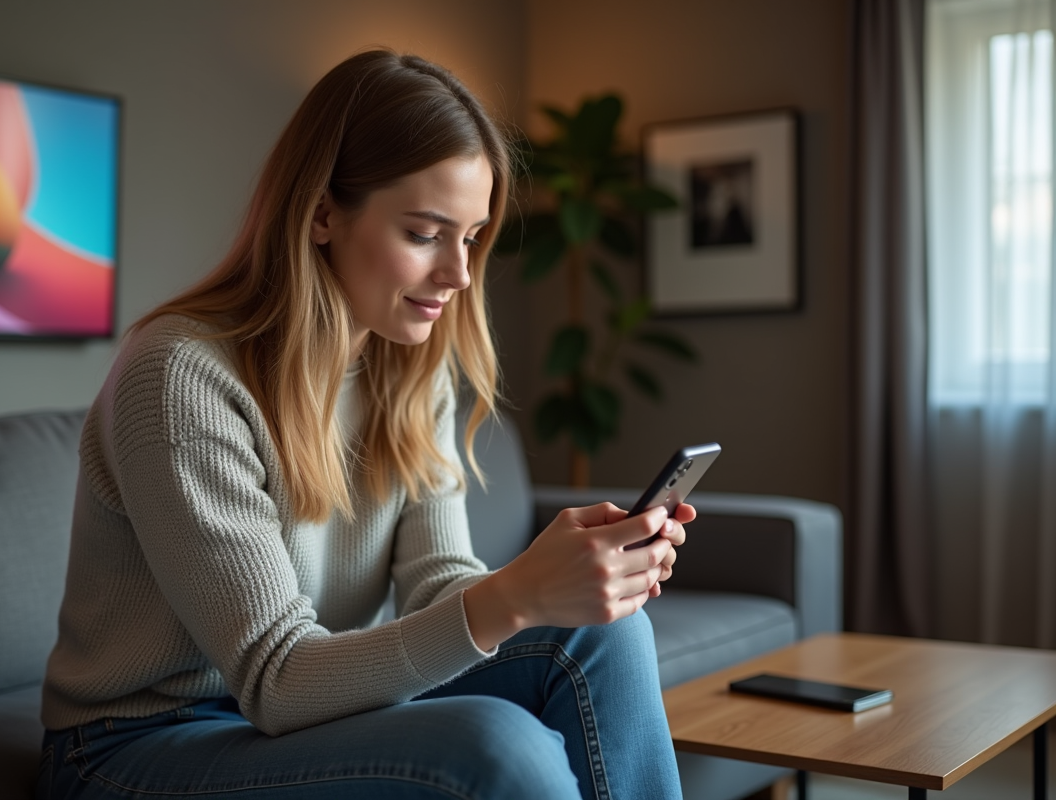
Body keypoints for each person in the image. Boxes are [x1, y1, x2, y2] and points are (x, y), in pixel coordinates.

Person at [36, 48, 696, 800]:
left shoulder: (411, 368)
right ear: (322, 213)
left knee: (603, 632)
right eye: (425, 234)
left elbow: (435, 586)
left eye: (472, 236)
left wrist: (550, 587)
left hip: (294, 714)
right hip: (134, 745)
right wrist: (516, 597)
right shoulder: (181, 376)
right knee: (494, 748)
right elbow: (275, 679)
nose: (460, 274)